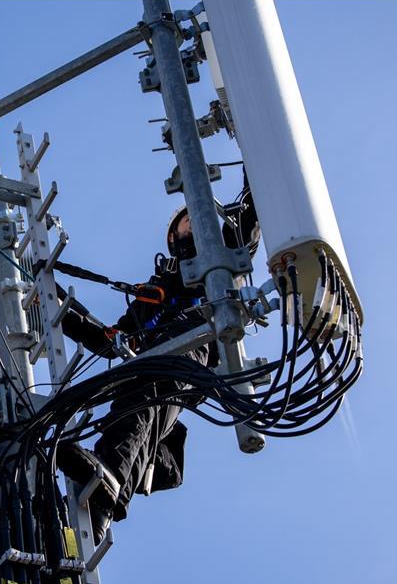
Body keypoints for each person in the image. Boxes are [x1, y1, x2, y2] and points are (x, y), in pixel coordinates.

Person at [57, 184, 260, 539]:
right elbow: (112, 341)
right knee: (138, 380)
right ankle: (104, 489)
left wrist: (256, 142)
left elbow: (253, 207)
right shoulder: (155, 293)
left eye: (200, 221)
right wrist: (58, 306)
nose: (194, 227)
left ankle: (111, 475)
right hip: (155, 364)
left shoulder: (223, 256)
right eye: (186, 224)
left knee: (152, 375)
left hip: (195, 344)